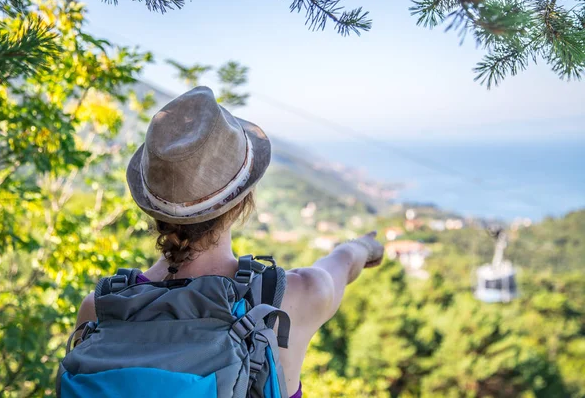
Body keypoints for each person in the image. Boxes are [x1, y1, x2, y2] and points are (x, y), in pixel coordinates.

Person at [74, 86, 384, 397]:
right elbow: (345, 262)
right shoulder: (288, 299)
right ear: (241, 203)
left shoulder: (99, 310)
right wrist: (364, 246)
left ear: (151, 209)